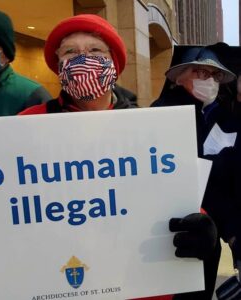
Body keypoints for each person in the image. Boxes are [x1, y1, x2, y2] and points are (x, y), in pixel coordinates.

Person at [19, 14, 218, 300]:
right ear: (59, 65)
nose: (82, 59)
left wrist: (202, 230)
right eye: (71, 52)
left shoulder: (151, 128)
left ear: (114, 64)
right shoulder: (26, 124)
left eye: (95, 51)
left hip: (138, 283)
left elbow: (173, 190)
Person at [152, 45, 237, 300]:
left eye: (214, 75)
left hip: (208, 236)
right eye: (200, 72)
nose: (209, 80)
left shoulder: (223, 116)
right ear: (179, 77)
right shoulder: (160, 113)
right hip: (170, 233)